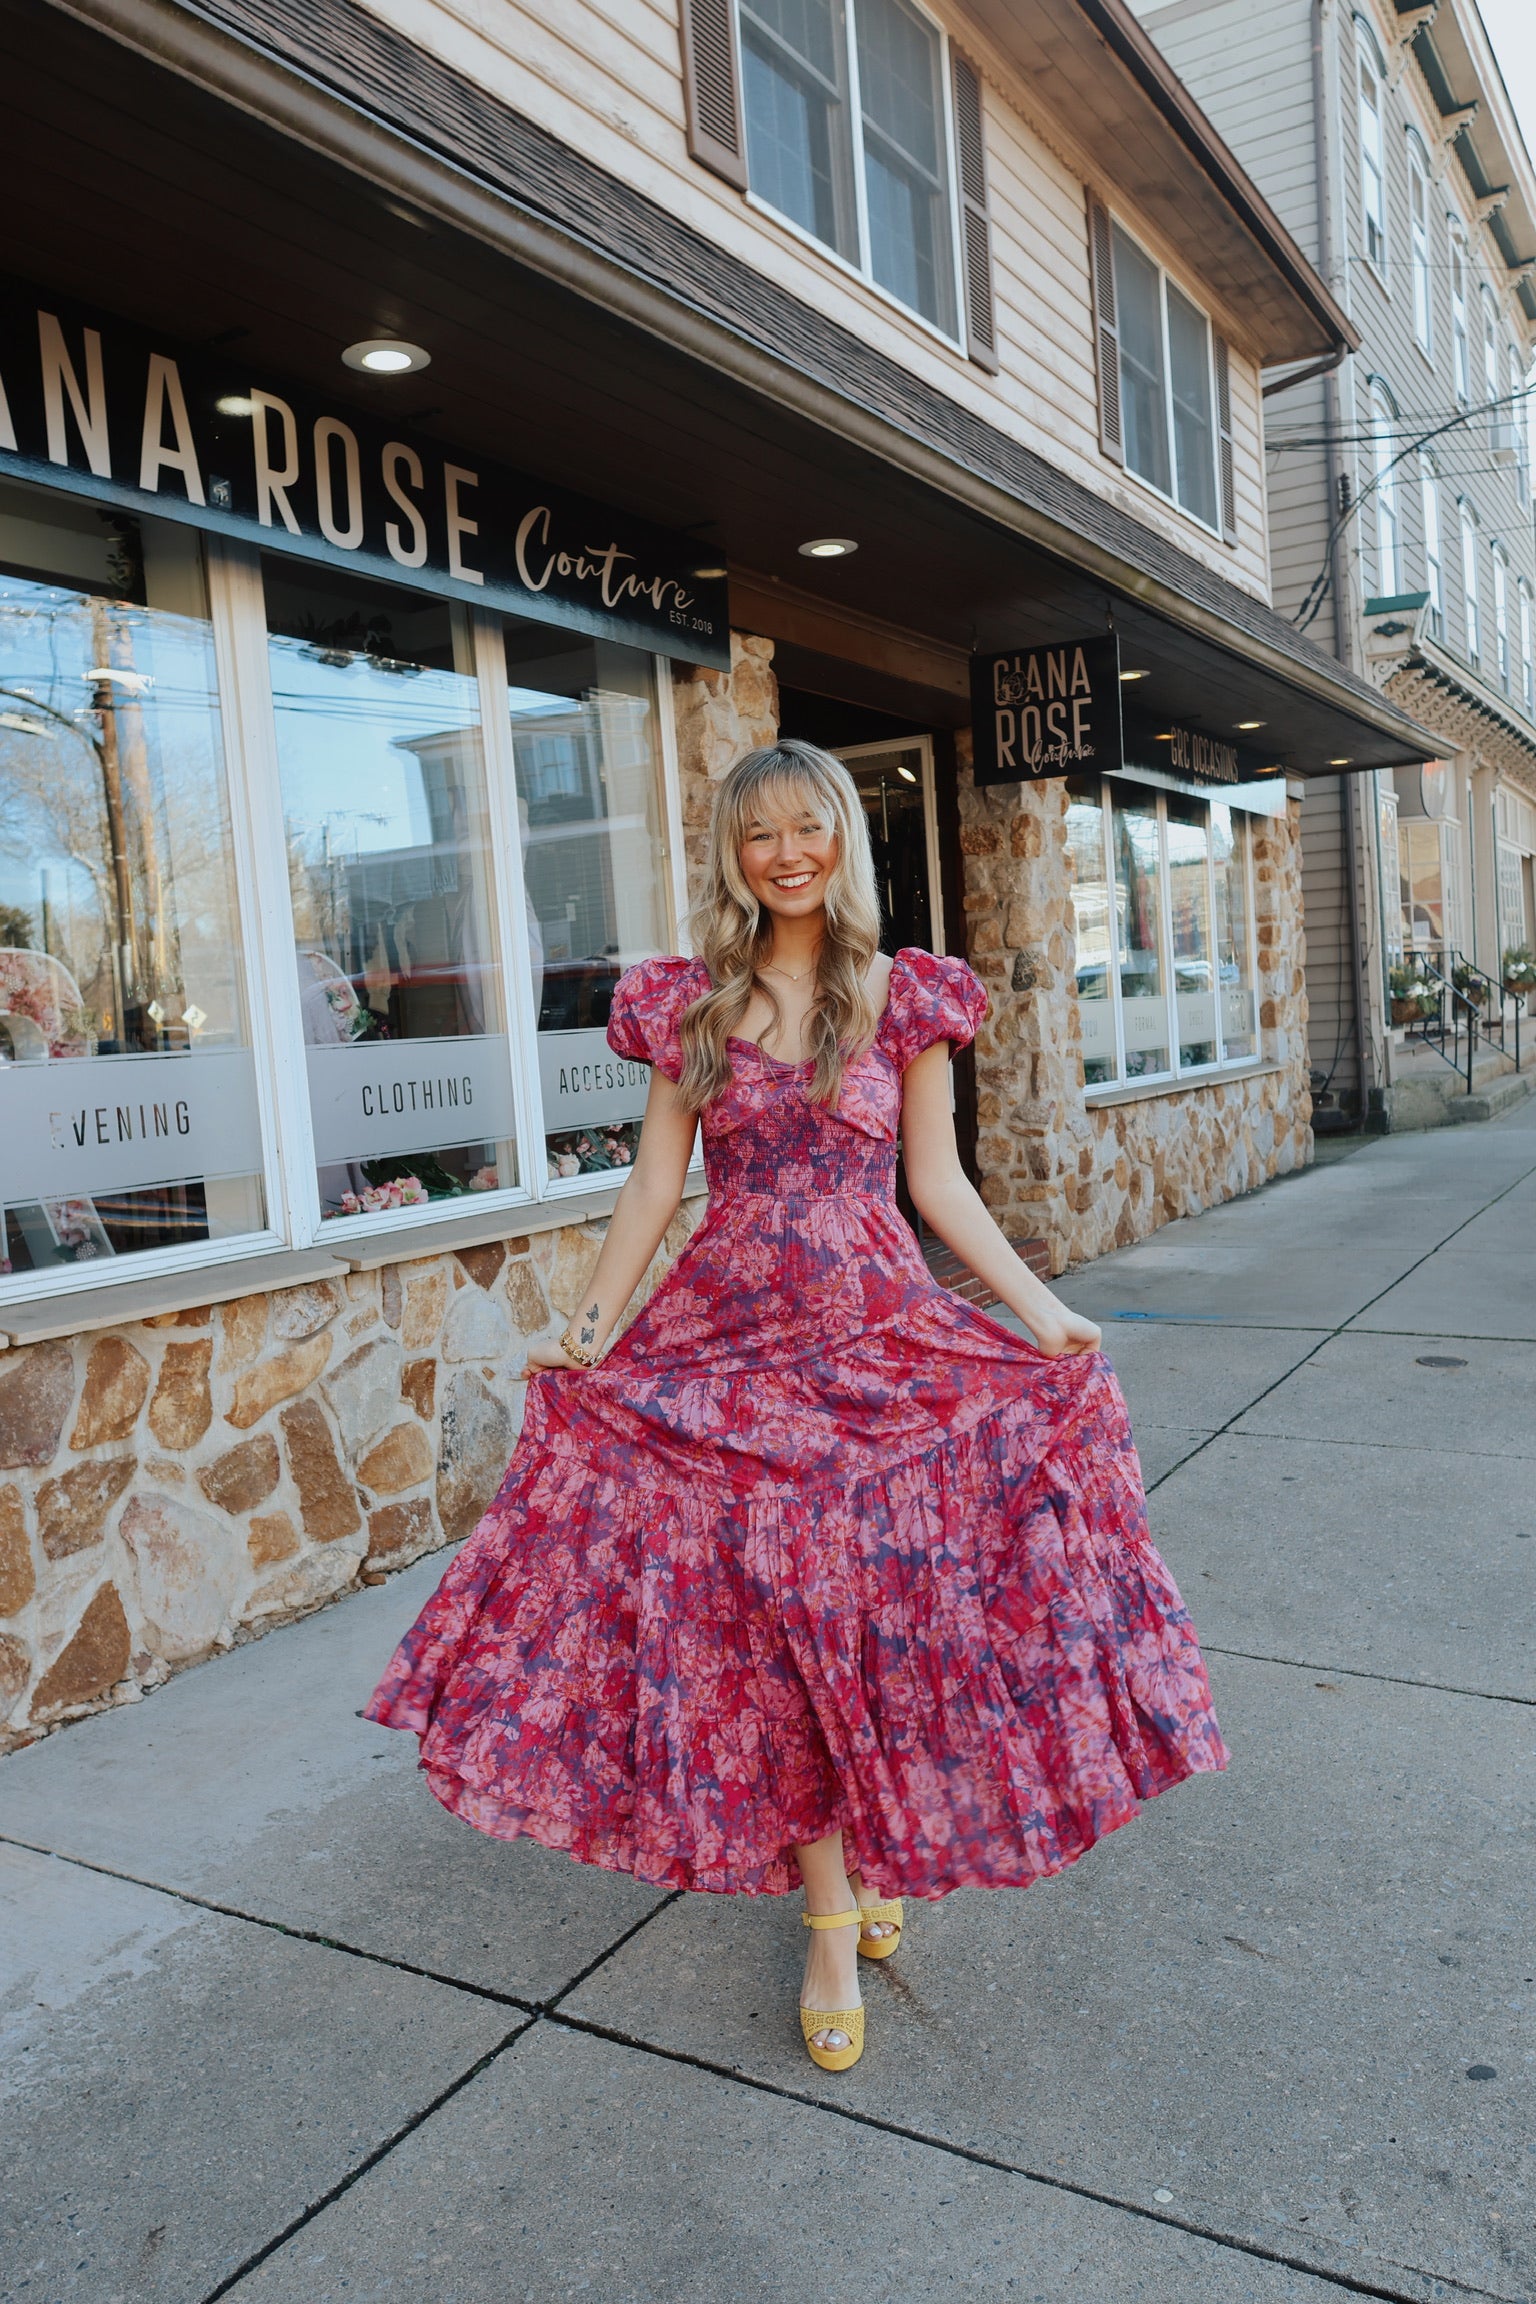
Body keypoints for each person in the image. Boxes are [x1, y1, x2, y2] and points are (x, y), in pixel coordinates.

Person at [366, 740, 1227, 2073]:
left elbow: (935, 1186)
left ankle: (869, 1853)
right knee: (768, 1634)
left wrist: (1033, 1311)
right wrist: (589, 1331)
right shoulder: (690, 1005)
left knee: (871, 1615)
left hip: (873, 1336)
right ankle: (833, 1913)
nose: (785, 854)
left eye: (806, 828)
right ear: (735, 853)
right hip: (724, 1343)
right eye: (758, 834)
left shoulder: (904, 997)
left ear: (840, 838)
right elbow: (657, 1187)